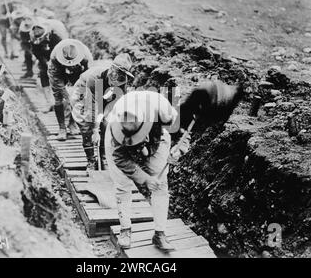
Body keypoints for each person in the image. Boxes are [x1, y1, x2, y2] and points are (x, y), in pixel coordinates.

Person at [105, 90, 177, 251]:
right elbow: (120, 158)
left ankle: (160, 233)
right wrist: (145, 178)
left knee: (161, 184)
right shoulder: (116, 129)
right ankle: (125, 229)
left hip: (157, 138)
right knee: (122, 184)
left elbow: (180, 127)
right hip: (120, 146)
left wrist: (180, 148)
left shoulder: (162, 109)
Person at [70, 53, 134, 173]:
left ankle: (103, 157)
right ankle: (91, 160)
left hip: (104, 96)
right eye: (113, 79)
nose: (115, 81)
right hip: (84, 93)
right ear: (111, 71)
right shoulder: (95, 78)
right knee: (86, 126)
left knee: (106, 124)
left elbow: (120, 102)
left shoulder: (123, 80)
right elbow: (92, 107)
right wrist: (95, 130)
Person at [171, 80, 244, 160]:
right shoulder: (229, 96)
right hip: (210, 93)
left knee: (186, 116)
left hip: (210, 95)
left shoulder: (229, 95)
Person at [48, 39, 93, 140]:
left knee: (79, 97)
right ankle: (62, 128)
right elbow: (56, 80)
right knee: (58, 98)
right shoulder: (55, 57)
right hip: (59, 72)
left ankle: (72, 124)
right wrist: (67, 97)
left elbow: (88, 77)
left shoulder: (86, 58)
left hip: (79, 72)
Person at [29, 17, 69, 112]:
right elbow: (36, 52)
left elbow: (61, 51)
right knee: (43, 75)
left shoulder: (55, 36)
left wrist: (54, 63)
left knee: (60, 77)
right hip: (44, 57)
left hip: (58, 57)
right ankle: (49, 102)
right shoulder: (33, 38)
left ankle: (65, 101)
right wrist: (44, 62)